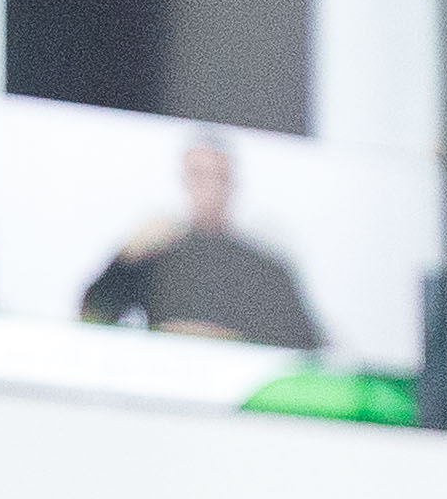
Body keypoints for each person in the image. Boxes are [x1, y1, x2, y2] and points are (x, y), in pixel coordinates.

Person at [81, 136, 318, 350]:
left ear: (232, 183)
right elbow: (93, 316)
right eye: (199, 176)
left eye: (219, 177)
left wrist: (232, 339)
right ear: (185, 181)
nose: (210, 189)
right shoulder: (158, 255)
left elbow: (306, 344)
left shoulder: (264, 266)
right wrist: (126, 257)